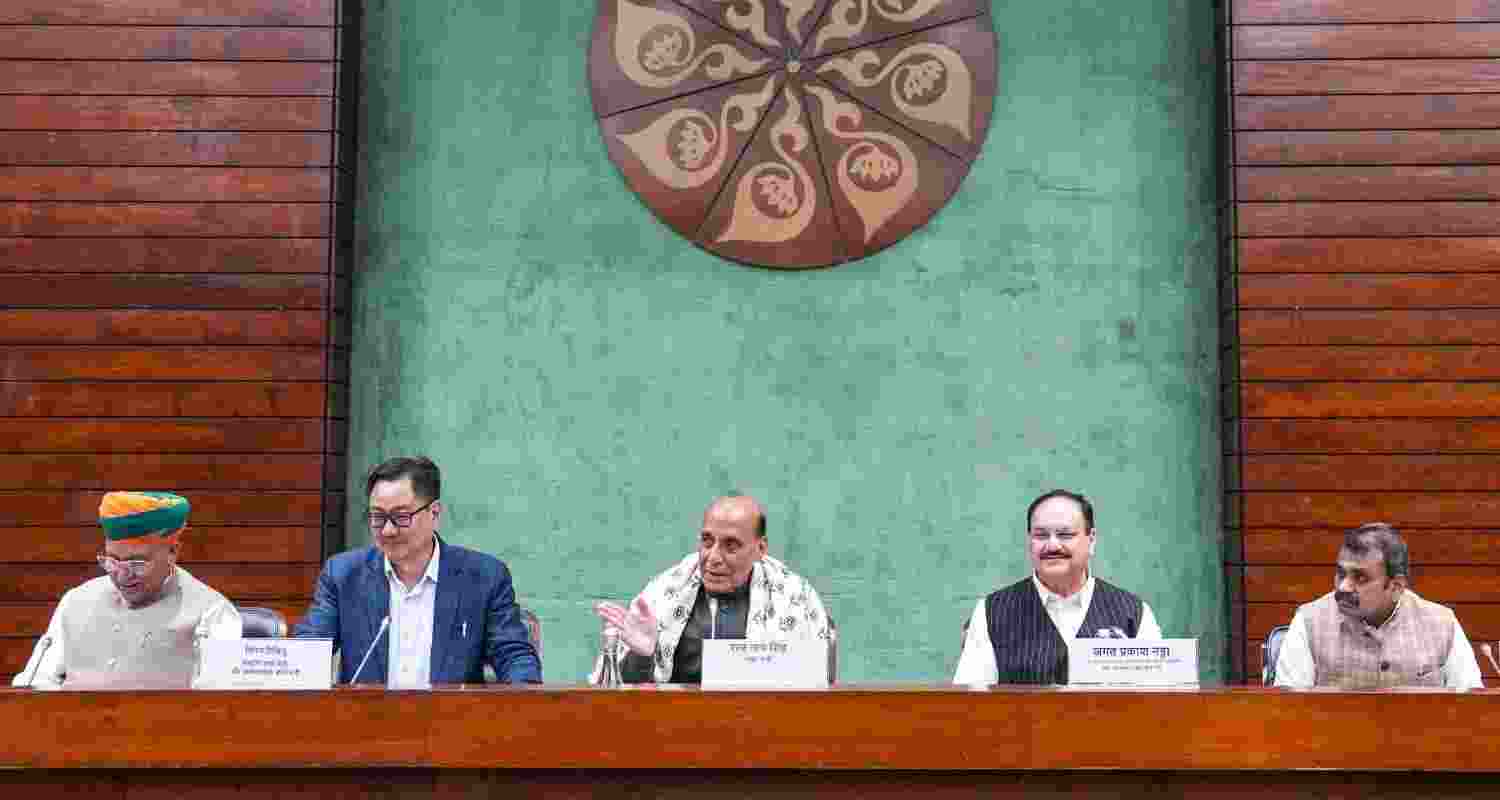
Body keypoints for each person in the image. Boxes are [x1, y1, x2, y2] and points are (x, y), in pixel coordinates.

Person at [294, 456, 541, 685]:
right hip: (365, 716)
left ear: (434, 513)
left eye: (401, 517)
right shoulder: (343, 575)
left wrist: (525, 701)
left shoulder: (484, 577)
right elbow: (306, 653)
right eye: (378, 517)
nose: (388, 530)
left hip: (451, 716)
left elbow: (514, 656)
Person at [13, 491, 241, 689]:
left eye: (137, 563)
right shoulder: (77, 600)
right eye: (112, 561)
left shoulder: (211, 611)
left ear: (172, 552)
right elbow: (37, 681)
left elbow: (219, 703)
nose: (122, 575)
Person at [593, 495, 831, 684]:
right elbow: (621, 700)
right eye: (707, 541)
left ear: (760, 548)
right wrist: (642, 656)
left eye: (731, 545)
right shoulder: (664, 593)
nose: (713, 557)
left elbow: (818, 692)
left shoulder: (795, 599)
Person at [953, 489, 1162, 685]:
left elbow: (1155, 701)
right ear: (1029, 541)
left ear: (1091, 540)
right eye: (1041, 535)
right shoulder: (991, 612)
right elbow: (969, 704)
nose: (1052, 545)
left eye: (1065, 534)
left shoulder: (1133, 613)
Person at [1273, 523, 1482, 689]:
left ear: (1396, 587)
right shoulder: (1309, 622)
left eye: (1360, 577)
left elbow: (1472, 709)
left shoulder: (1442, 625)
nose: (1343, 587)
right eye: (1341, 574)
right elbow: (1288, 711)